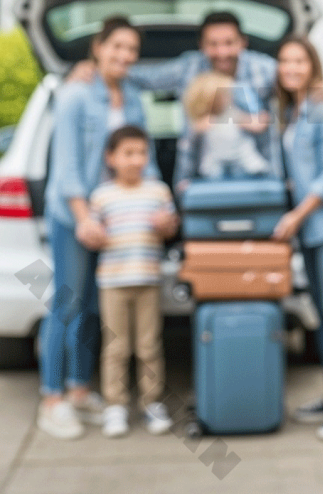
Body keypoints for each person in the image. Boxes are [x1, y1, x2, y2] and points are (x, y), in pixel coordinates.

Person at [38, 17, 173, 439]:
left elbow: (143, 156)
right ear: (98, 47)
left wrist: (159, 201)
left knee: (96, 309)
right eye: (117, 47)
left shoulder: (132, 95)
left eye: (131, 50)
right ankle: (52, 398)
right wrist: (83, 218)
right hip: (76, 214)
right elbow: (67, 164)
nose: (124, 56)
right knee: (67, 304)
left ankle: (80, 390)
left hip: (117, 215)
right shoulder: (75, 93)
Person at [69, 11, 275, 188]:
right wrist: (95, 67)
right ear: (201, 46)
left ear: (243, 43)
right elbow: (146, 76)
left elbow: (298, 80)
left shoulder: (265, 70)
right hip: (198, 177)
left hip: (260, 178)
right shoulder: (190, 67)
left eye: (229, 43)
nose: (222, 52)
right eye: (213, 44)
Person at [271, 36, 323, 442]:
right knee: (322, 313)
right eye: (284, 62)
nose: (290, 68)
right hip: (311, 225)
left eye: (298, 61)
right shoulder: (295, 109)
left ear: (312, 65)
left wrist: (296, 214)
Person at [89, 125, 178, 438]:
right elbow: (92, 236)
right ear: (110, 158)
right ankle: (115, 405)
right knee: (115, 347)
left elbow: (171, 228)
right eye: (128, 153)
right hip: (112, 282)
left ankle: (151, 402)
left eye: (141, 153)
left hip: (147, 279)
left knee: (149, 345)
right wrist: (91, 233)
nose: (135, 160)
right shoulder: (101, 197)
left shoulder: (158, 191)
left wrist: (167, 225)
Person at [182, 71, 270, 179]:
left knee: (248, 156)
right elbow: (196, 128)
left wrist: (260, 120)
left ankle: (256, 169)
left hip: (240, 154)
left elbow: (255, 124)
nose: (229, 97)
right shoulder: (208, 119)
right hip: (216, 158)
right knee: (210, 166)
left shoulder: (233, 113)